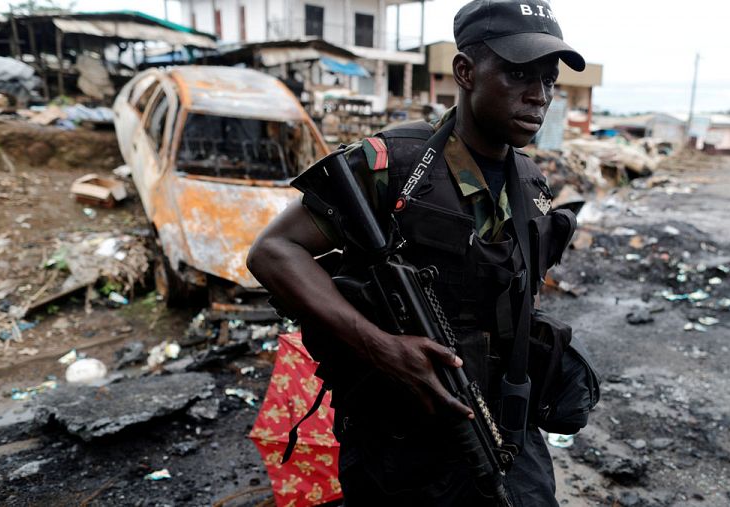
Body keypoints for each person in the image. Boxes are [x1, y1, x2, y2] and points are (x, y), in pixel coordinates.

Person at [247, 1, 587, 505]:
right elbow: (273, 252)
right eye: (518, 74)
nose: (538, 96)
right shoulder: (394, 164)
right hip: (402, 439)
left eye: (548, 79)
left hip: (504, 426)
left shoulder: (530, 181)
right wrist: (381, 346)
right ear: (465, 72)